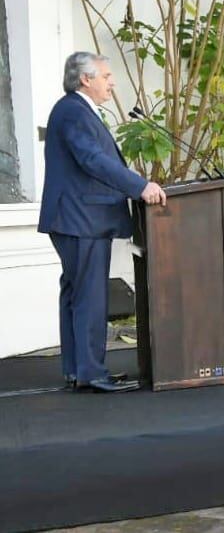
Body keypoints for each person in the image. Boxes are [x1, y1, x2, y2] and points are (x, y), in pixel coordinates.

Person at [39, 51, 166, 393]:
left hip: (78, 218)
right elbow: (93, 160)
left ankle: (79, 369)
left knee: (77, 294)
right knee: (90, 296)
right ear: (86, 79)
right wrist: (140, 186)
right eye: (106, 76)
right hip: (81, 219)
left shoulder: (75, 111)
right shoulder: (73, 111)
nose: (112, 83)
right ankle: (92, 372)